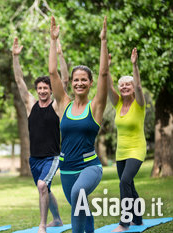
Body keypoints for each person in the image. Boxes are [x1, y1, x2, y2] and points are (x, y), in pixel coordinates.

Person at [48, 16, 109, 233]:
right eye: (76, 80)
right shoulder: (64, 103)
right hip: (66, 167)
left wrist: (103, 40)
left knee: (77, 195)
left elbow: (104, 73)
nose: (80, 83)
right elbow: (53, 73)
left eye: (84, 79)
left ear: (90, 83)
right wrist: (53, 40)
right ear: (71, 83)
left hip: (89, 166)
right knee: (81, 208)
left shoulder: (96, 107)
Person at [12, 37, 69, 233]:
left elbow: (65, 81)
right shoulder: (31, 104)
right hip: (34, 158)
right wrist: (15, 57)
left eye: (46, 88)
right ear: (36, 91)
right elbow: (19, 80)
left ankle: (42, 225)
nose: (43, 91)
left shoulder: (56, 105)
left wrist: (60, 55)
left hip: (52, 157)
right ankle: (58, 219)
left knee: (42, 186)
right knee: (45, 188)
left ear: (51, 90)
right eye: (40, 89)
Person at [107, 48, 146, 232]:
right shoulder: (118, 103)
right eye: (121, 85)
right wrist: (106, 69)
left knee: (124, 182)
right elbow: (108, 87)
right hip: (121, 151)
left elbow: (138, 87)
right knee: (128, 183)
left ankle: (124, 222)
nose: (124, 87)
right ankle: (138, 219)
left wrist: (134, 65)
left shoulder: (139, 104)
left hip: (137, 149)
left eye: (127, 85)